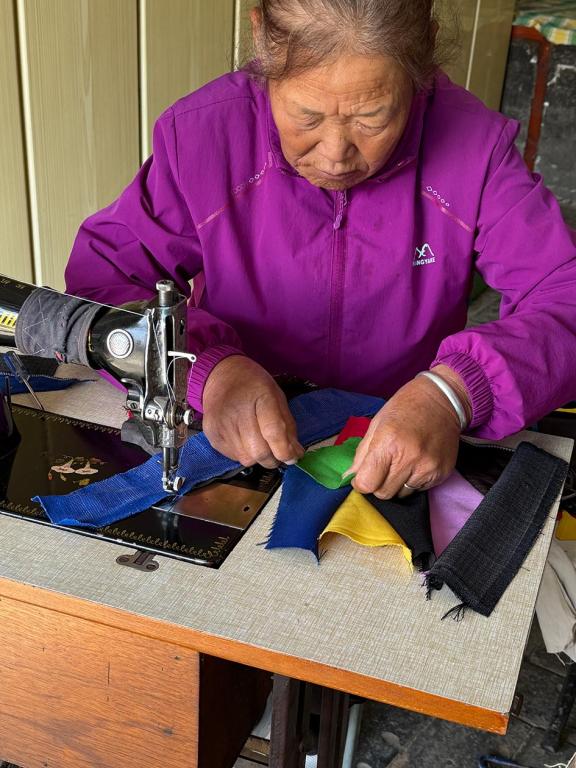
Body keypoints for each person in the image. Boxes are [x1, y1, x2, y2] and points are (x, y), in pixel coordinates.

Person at [66, 0, 576, 501]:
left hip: (399, 438)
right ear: (263, 40)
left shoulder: (476, 149)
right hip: (235, 436)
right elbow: (103, 285)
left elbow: (565, 299)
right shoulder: (202, 137)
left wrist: (455, 393)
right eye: (307, 116)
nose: (335, 155)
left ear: (419, 69)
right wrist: (206, 372)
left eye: (373, 119)